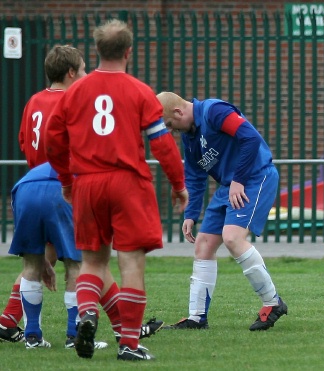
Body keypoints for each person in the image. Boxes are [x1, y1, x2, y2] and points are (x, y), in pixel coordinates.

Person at [45, 19, 188, 361]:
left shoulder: (75, 91)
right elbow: (163, 145)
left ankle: (87, 315)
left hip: (88, 183)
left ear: (96, 51)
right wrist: (179, 185)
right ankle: (129, 345)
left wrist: (67, 180)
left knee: (93, 261)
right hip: (127, 182)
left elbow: (52, 140)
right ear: (128, 52)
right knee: (131, 264)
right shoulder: (139, 91)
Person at [156, 91, 287, 332]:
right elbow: (195, 177)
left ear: (178, 112)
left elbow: (250, 138)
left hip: (255, 177)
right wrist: (190, 215)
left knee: (232, 238)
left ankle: (273, 302)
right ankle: (196, 318)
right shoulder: (190, 137)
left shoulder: (214, 111)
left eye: (170, 124)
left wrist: (239, 179)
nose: (172, 130)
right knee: (203, 244)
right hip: (230, 185)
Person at [0, 44, 86, 346]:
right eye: (84, 69)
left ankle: (22, 328)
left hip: (30, 185)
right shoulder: (75, 101)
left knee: (36, 263)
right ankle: (78, 334)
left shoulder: (34, 101)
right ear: (72, 72)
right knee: (78, 263)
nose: (86, 75)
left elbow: (25, 142)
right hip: (63, 187)